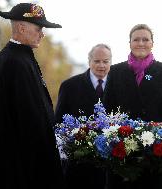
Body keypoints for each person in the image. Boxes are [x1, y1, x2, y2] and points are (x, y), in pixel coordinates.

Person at [0, 3, 64, 189]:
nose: (42, 34)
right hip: (25, 165)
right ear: (21, 27)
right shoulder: (13, 62)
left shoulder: (22, 57)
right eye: (38, 28)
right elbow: (27, 117)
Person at [104, 24, 162, 189]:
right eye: (136, 39)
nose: (141, 43)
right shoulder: (116, 71)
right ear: (129, 43)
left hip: (154, 152)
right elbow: (108, 109)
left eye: (146, 39)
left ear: (152, 43)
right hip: (121, 151)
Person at [55, 43, 111, 189]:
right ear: (89, 61)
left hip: (110, 168)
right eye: (97, 61)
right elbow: (59, 123)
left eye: (105, 61)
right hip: (78, 167)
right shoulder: (69, 86)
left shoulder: (118, 86)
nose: (101, 65)